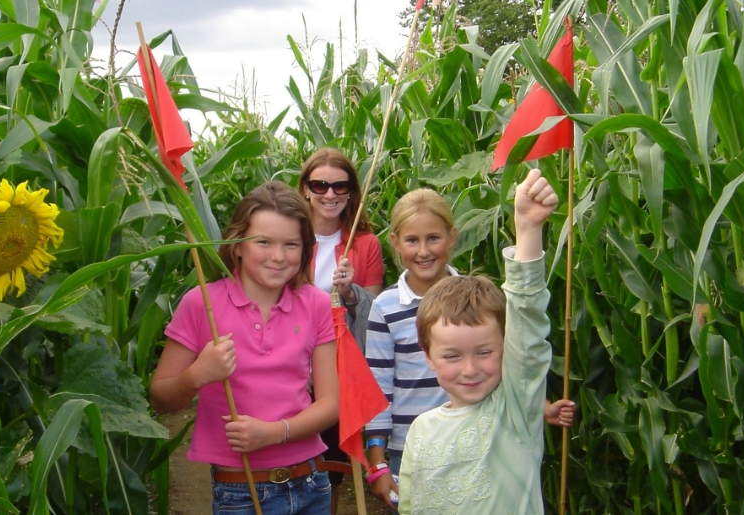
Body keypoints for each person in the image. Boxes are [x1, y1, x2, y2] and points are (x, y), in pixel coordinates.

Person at [364, 187, 575, 510]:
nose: (470, 369)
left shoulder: (512, 414)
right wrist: (378, 459)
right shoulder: (421, 431)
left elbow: (527, 325)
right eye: (451, 355)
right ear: (428, 356)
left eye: (484, 352)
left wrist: (528, 230)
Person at [150, 181, 339, 515]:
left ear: (306, 249)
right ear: (237, 245)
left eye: (291, 244)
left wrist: (273, 433)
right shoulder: (201, 303)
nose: (278, 256)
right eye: (263, 242)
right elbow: (161, 398)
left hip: (311, 482)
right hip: (240, 491)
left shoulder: (317, 304)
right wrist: (197, 375)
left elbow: (332, 403)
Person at [298, 148, 385, 515]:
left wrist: (351, 292)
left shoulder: (365, 244)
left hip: (337, 369)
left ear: (351, 192)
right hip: (293, 364)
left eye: (339, 186)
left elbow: (373, 317)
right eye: (320, 184)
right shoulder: (291, 238)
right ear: (305, 189)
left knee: (329, 465)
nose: (329, 194)